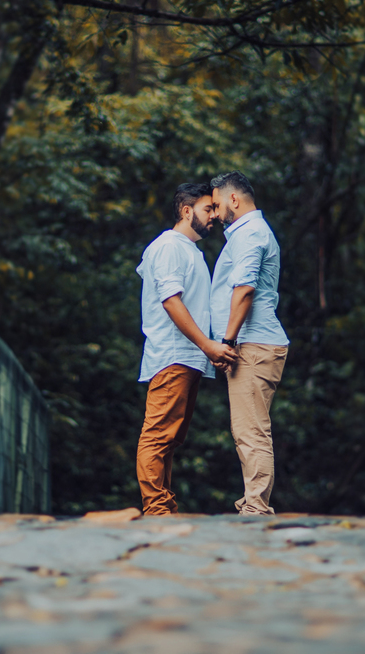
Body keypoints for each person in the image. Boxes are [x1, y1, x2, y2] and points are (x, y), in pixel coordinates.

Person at [135, 183, 239, 516]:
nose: (214, 216)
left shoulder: (190, 251)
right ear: (186, 211)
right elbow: (169, 301)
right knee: (157, 436)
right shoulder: (169, 247)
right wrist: (208, 345)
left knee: (170, 439)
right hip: (173, 355)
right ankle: (157, 511)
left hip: (190, 357)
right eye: (208, 209)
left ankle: (163, 506)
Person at [209, 171, 289, 515]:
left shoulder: (249, 233)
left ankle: (256, 509)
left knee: (251, 431)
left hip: (252, 345)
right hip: (255, 343)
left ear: (234, 200)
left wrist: (227, 341)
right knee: (248, 429)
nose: (213, 213)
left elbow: (244, 289)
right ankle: (253, 503)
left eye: (216, 205)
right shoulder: (249, 232)